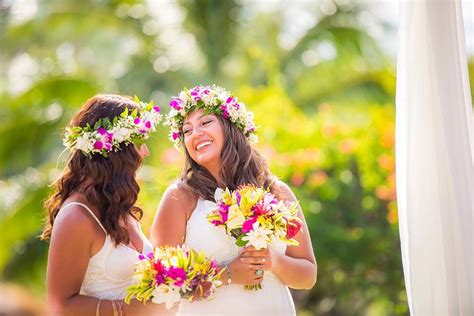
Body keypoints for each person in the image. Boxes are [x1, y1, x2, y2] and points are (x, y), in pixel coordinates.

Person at [151, 85, 317, 315]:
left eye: (205, 122)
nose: (195, 133)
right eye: (187, 130)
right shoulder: (179, 197)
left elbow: (308, 275)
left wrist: (274, 262)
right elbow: (161, 282)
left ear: (231, 127)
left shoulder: (277, 192)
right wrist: (227, 274)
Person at [41, 94, 170, 315]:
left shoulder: (117, 205)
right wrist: (131, 309)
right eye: (139, 142)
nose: (145, 151)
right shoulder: (76, 217)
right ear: (116, 149)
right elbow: (59, 306)